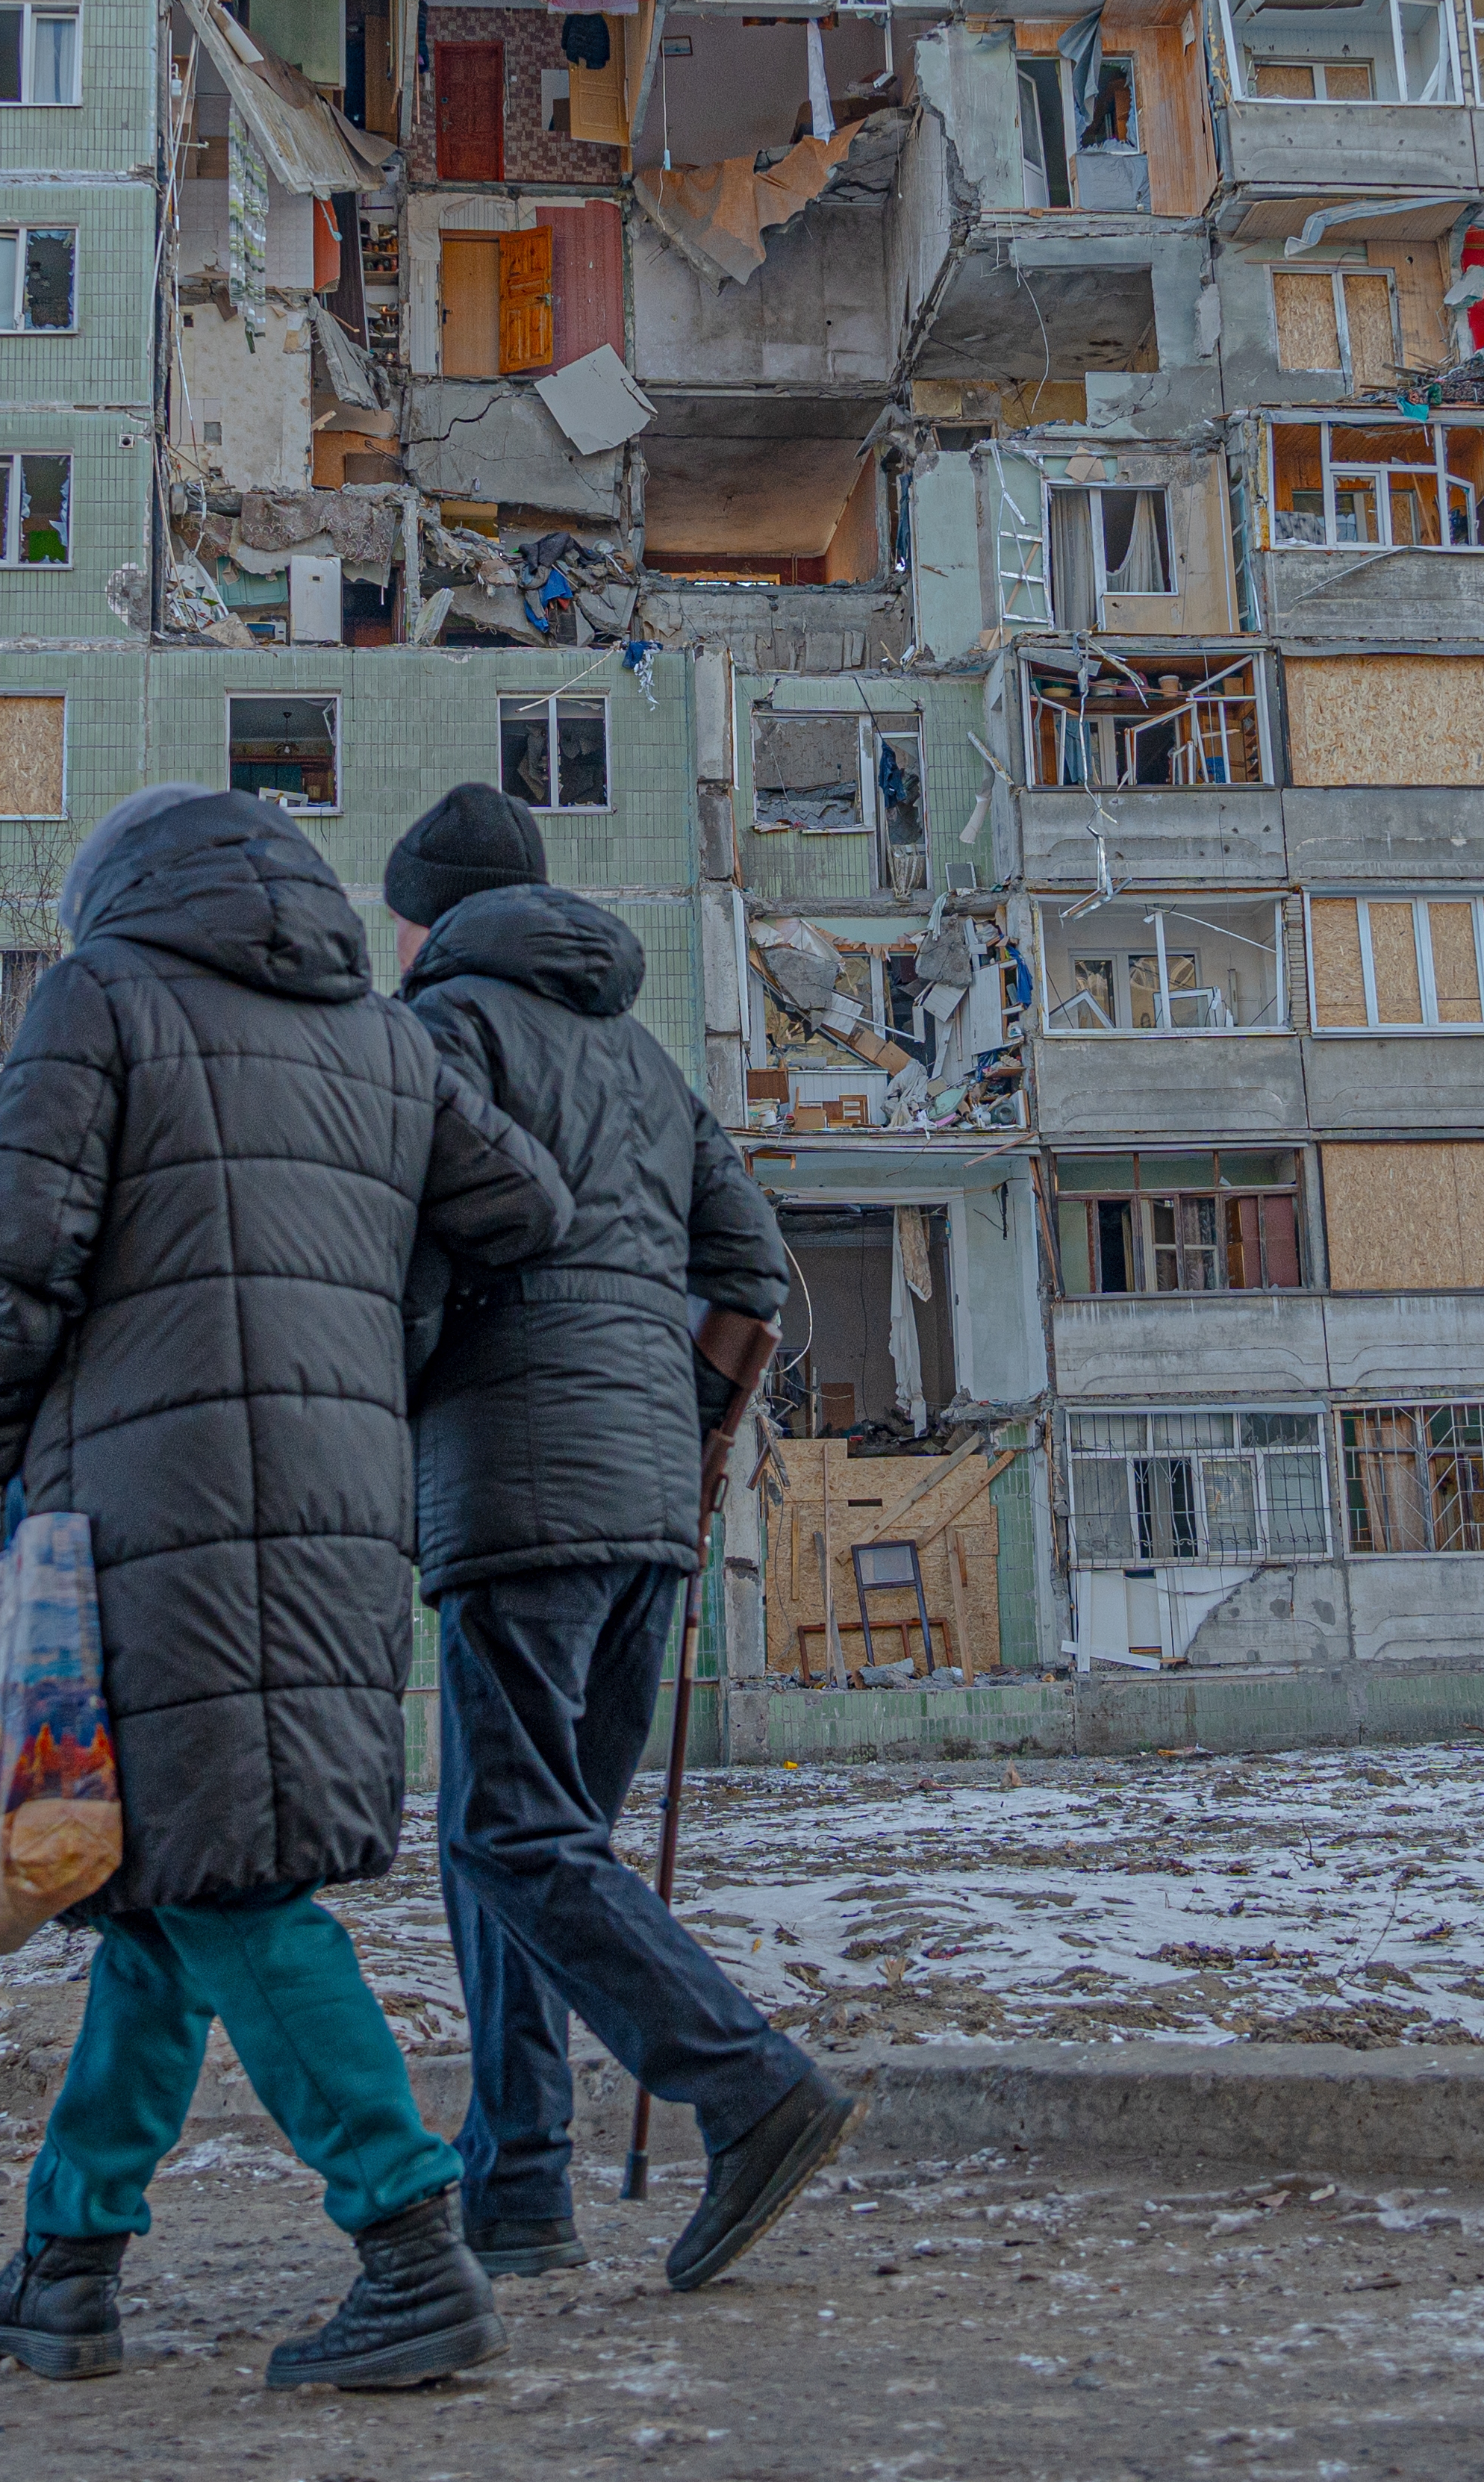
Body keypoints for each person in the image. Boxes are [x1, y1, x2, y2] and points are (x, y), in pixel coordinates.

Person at [0, 784, 576, 2395]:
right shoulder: (380, 1035)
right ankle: (64, 2260)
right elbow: (527, 1211)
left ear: (122, 890)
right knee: (153, 1893)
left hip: (147, 1501)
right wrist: (379, 1330)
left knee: (227, 1886)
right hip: (341, 1502)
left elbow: (13, 1248)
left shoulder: (101, 993)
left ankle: (412, 2245)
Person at [384, 780, 852, 2293]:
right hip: (647, 1498)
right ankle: (517, 2186)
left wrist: (393, 1380)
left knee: (507, 1833)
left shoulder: (441, 1031)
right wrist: (690, 1439)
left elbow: (401, 1246)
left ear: (425, 916)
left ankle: (743, 2079)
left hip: (515, 1486)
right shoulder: (646, 1062)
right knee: (524, 1845)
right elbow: (753, 1267)